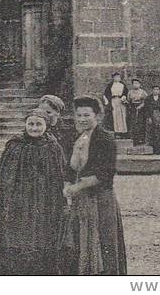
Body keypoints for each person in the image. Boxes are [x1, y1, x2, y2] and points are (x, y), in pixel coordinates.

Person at [0, 110, 68, 275]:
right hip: (19, 202)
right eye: (31, 124)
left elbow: (59, 177)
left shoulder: (53, 147)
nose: (34, 128)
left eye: (39, 124)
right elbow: (5, 178)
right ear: (25, 125)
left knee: (42, 236)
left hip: (44, 202)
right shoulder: (15, 145)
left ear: (46, 126)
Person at [61, 96, 127, 275]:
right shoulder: (76, 137)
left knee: (103, 241)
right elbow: (69, 166)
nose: (82, 119)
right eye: (79, 115)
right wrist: (67, 184)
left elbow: (106, 173)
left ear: (97, 116)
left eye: (86, 115)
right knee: (79, 242)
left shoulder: (105, 138)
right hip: (80, 201)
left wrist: (78, 187)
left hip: (100, 198)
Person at [40, 93, 76, 160]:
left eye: (48, 112)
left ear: (58, 113)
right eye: (41, 111)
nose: (43, 115)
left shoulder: (67, 130)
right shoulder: (38, 129)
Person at [144, 87, 160, 154]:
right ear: (152, 90)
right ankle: (153, 149)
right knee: (152, 132)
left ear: (159, 90)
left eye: (157, 89)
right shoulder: (148, 98)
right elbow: (146, 109)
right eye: (154, 89)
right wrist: (148, 117)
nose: (156, 91)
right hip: (152, 116)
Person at [126, 80, 148, 146]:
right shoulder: (130, 92)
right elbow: (128, 100)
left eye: (137, 83)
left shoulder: (143, 92)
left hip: (141, 109)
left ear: (140, 84)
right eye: (134, 83)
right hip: (133, 108)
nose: (135, 85)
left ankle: (141, 139)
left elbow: (146, 101)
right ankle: (134, 139)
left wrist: (141, 106)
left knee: (140, 123)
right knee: (133, 123)